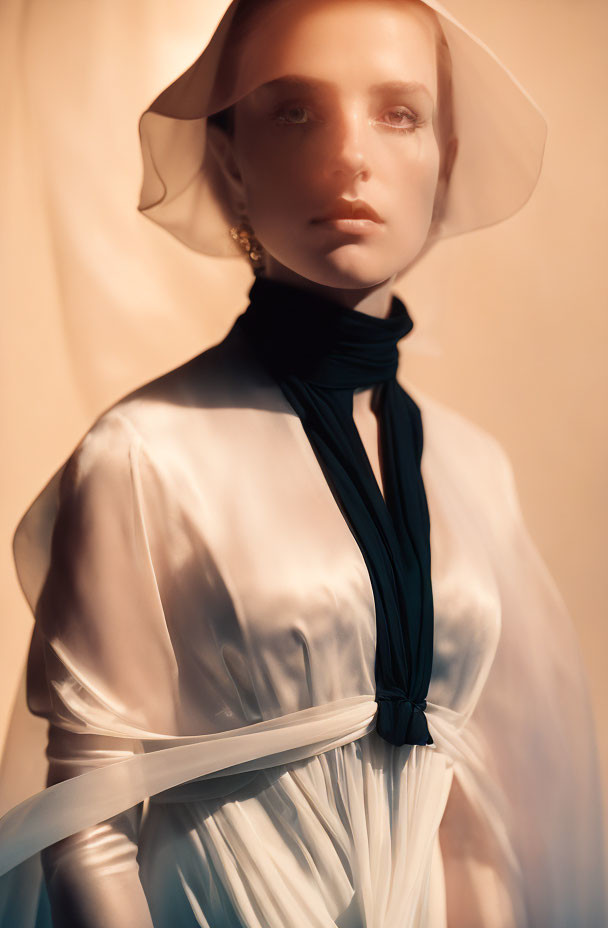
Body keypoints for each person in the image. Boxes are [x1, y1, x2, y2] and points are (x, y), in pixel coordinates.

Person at [0, 0, 605, 925]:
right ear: (231, 155)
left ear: (445, 156)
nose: (349, 155)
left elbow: (470, 817)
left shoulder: (474, 470)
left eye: (398, 112)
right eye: (294, 109)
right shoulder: (145, 453)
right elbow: (89, 829)